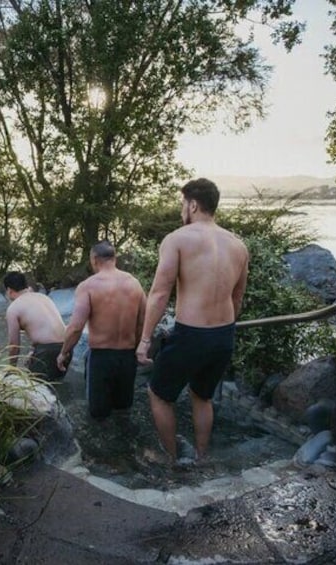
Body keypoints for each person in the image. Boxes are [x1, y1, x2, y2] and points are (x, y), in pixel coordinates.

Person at [136, 178, 249, 464]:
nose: (180, 210)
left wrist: (145, 339)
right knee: (202, 396)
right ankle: (201, 458)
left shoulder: (177, 239)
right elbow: (237, 300)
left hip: (191, 335)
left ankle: (171, 459)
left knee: (159, 394)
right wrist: (222, 331)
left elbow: (160, 293)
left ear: (193, 204)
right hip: (224, 335)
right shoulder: (238, 246)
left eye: (182, 204)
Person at [56, 241, 146, 418]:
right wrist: (136, 348)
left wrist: (64, 352)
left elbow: (75, 328)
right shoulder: (135, 283)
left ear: (94, 259)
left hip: (101, 358)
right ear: (115, 258)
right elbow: (143, 321)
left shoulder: (89, 286)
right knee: (123, 412)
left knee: (98, 415)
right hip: (128, 357)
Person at [4, 271, 67, 381]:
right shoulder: (43, 297)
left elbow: (14, 345)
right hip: (67, 348)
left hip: (47, 351)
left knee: (38, 391)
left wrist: (11, 369)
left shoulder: (14, 308)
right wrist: (33, 351)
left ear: (9, 291)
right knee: (55, 386)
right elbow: (45, 327)